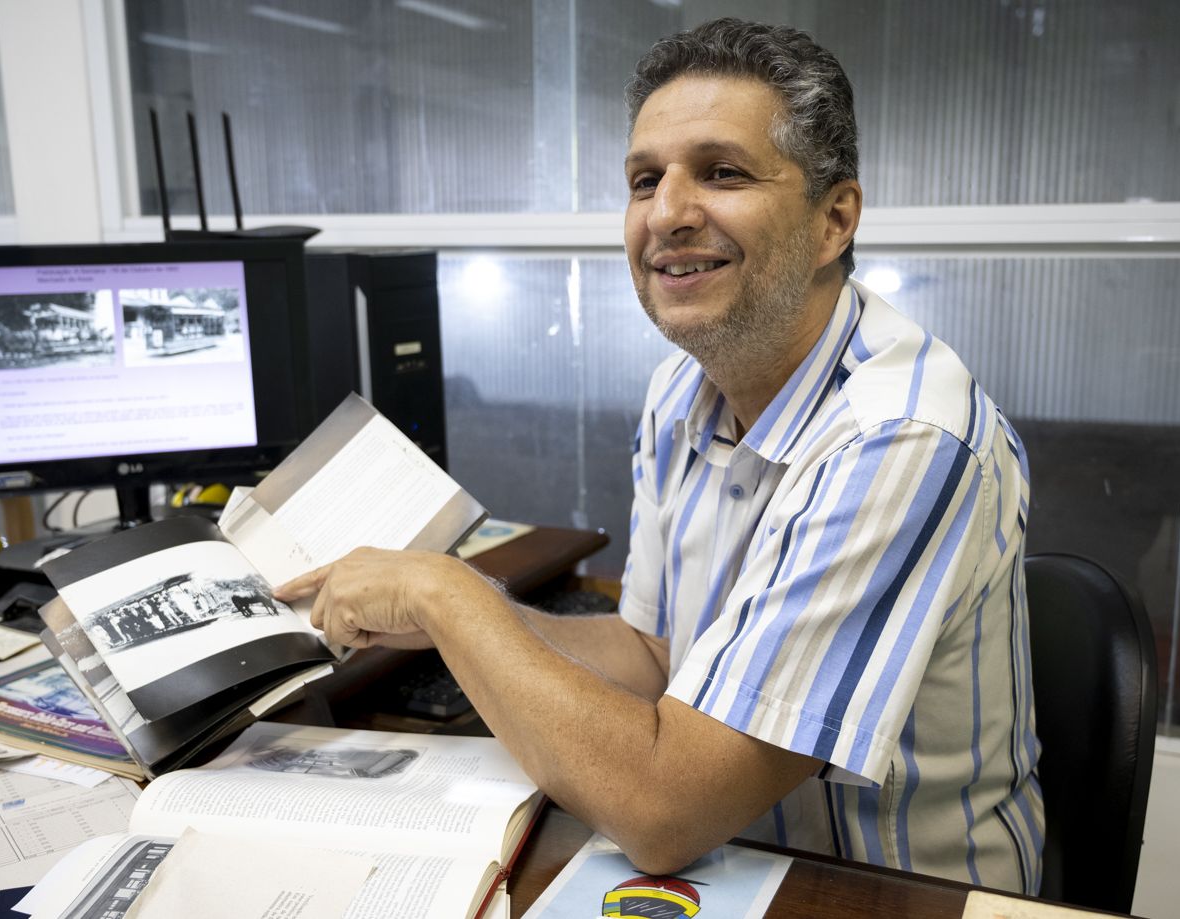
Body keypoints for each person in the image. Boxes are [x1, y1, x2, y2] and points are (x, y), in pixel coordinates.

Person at [276, 17, 1042, 893]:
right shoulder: (683, 389)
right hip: (737, 867)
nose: (668, 214)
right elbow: (651, 655)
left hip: (883, 896)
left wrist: (444, 595)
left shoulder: (899, 437)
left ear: (834, 219)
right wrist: (476, 616)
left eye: (720, 172)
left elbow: (664, 809)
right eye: (645, 180)